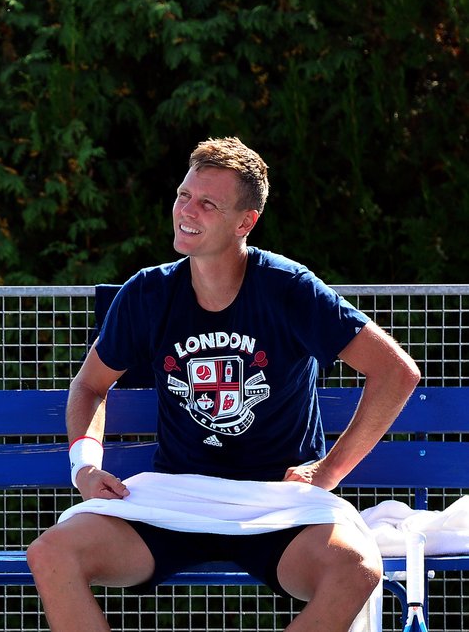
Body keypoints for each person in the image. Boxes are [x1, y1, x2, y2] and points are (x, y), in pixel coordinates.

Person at [27, 137, 420, 632]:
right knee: (51, 553)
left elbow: (396, 372)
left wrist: (327, 472)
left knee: (356, 569)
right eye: (183, 195)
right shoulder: (147, 292)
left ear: (245, 222)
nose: (186, 211)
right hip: (174, 498)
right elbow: (89, 386)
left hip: (277, 504)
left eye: (207, 203)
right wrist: (85, 467)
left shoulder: (289, 288)